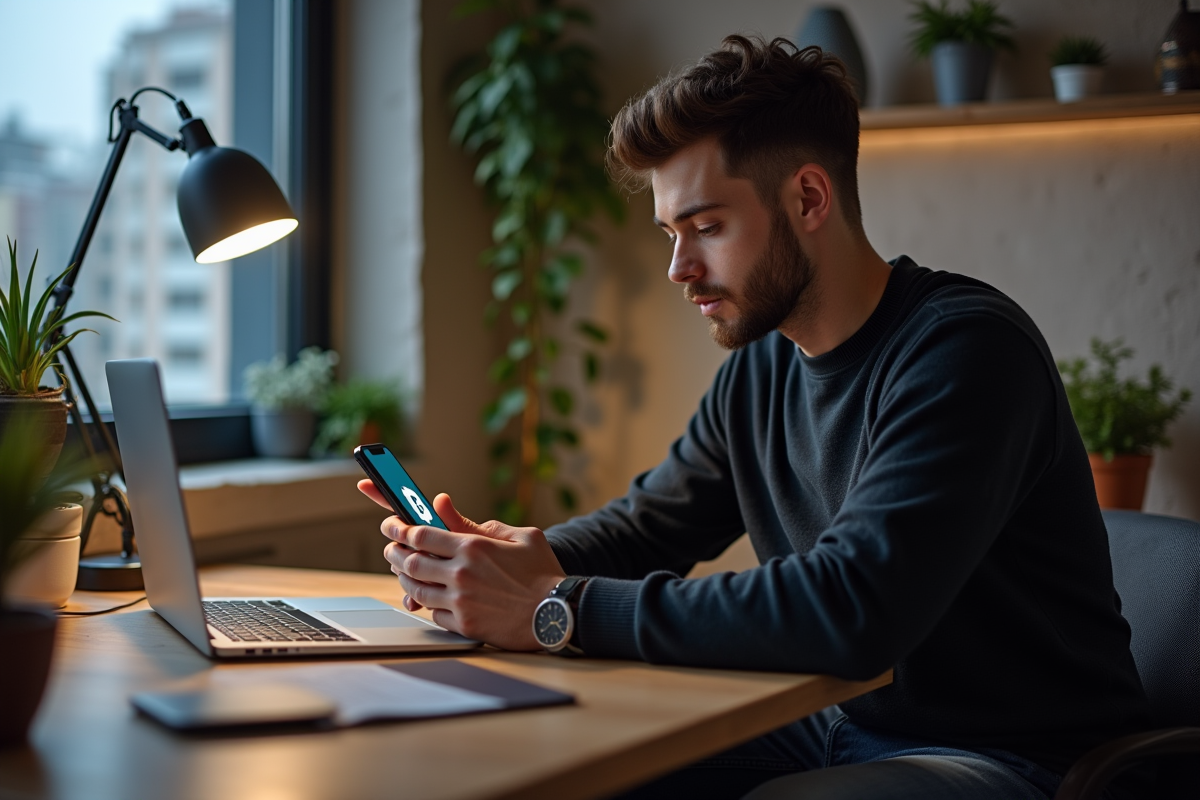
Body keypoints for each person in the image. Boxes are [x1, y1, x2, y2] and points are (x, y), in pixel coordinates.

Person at [358, 35, 1149, 800]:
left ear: (808, 197)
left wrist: (551, 609)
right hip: (833, 722)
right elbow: (649, 527)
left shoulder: (965, 352)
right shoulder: (763, 365)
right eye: (672, 234)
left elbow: (851, 607)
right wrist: (495, 566)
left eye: (706, 227)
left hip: (1014, 759)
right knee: (562, 764)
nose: (679, 269)